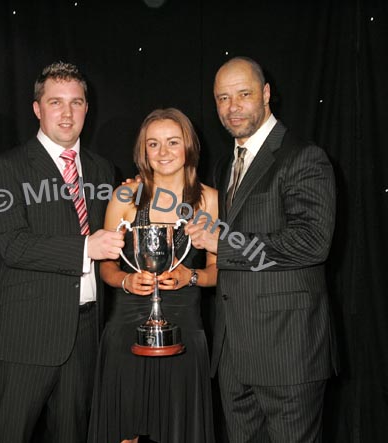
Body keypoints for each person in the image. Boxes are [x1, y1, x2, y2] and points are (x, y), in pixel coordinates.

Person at [186, 56, 338, 442]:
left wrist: (223, 242)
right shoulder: (225, 165)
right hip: (234, 354)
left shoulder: (303, 156)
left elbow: (312, 243)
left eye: (243, 94)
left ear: (266, 94)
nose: (232, 107)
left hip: (288, 353)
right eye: (223, 98)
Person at [0, 61, 124, 443]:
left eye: (76, 103)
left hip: (86, 334)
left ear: (86, 108)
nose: (67, 113)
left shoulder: (102, 170)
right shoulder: (6, 169)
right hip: (28, 335)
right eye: (56, 102)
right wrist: (86, 247)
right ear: (37, 108)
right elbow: (13, 245)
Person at [89, 108, 218, 443]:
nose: (163, 153)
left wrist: (191, 276)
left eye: (173, 142)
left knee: (179, 432)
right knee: (124, 434)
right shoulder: (125, 196)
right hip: (125, 330)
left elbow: (219, 271)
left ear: (189, 146)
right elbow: (106, 265)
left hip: (185, 332)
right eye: (153, 144)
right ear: (142, 150)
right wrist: (125, 280)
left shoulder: (211, 201)